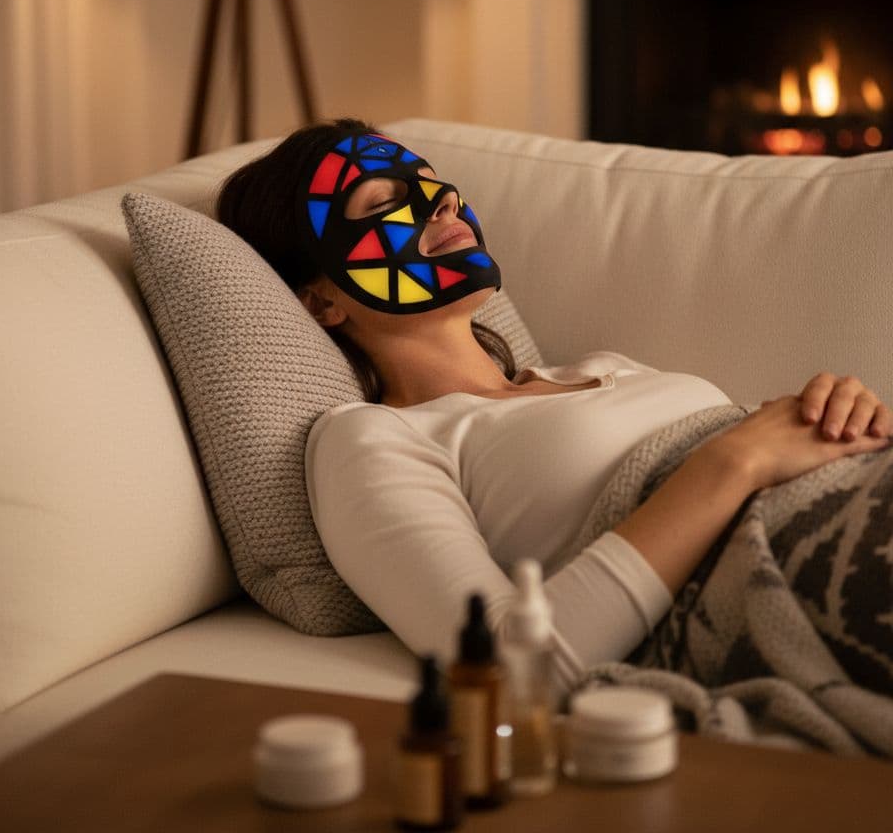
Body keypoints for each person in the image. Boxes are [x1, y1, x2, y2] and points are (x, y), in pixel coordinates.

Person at [217, 118, 892, 701]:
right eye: (382, 199)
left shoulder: (601, 369)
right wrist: (737, 458)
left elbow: (773, 446)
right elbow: (509, 670)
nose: (443, 199)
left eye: (434, 182)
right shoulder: (373, 439)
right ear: (320, 300)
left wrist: (836, 415)